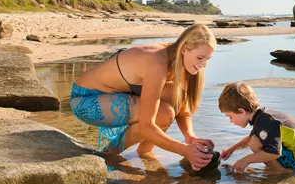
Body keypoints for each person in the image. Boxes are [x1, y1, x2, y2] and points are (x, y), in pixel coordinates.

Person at [71, 24, 216, 170]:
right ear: (184, 48)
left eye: (207, 59)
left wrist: (190, 137)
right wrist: (184, 150)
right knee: (164, 114)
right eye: (200, 58)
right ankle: (107, 155)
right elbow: (147, 126)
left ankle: (144, 150)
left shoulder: (179, 58)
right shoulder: (158, 63)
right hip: (86, 100)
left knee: (173, 96)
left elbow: (181, 107)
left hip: (115, 95)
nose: (203, 65)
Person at [219, 82, 295, 173]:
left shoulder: (267, 122)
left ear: (241, 111)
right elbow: (250, 138)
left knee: (255, 144)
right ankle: (279, 169)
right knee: (254, 140)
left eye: (230, 116)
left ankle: (281, 172)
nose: (230, 121)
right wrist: (231, 149)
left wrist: (247, 159)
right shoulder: (261, 117)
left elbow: (274, 153)